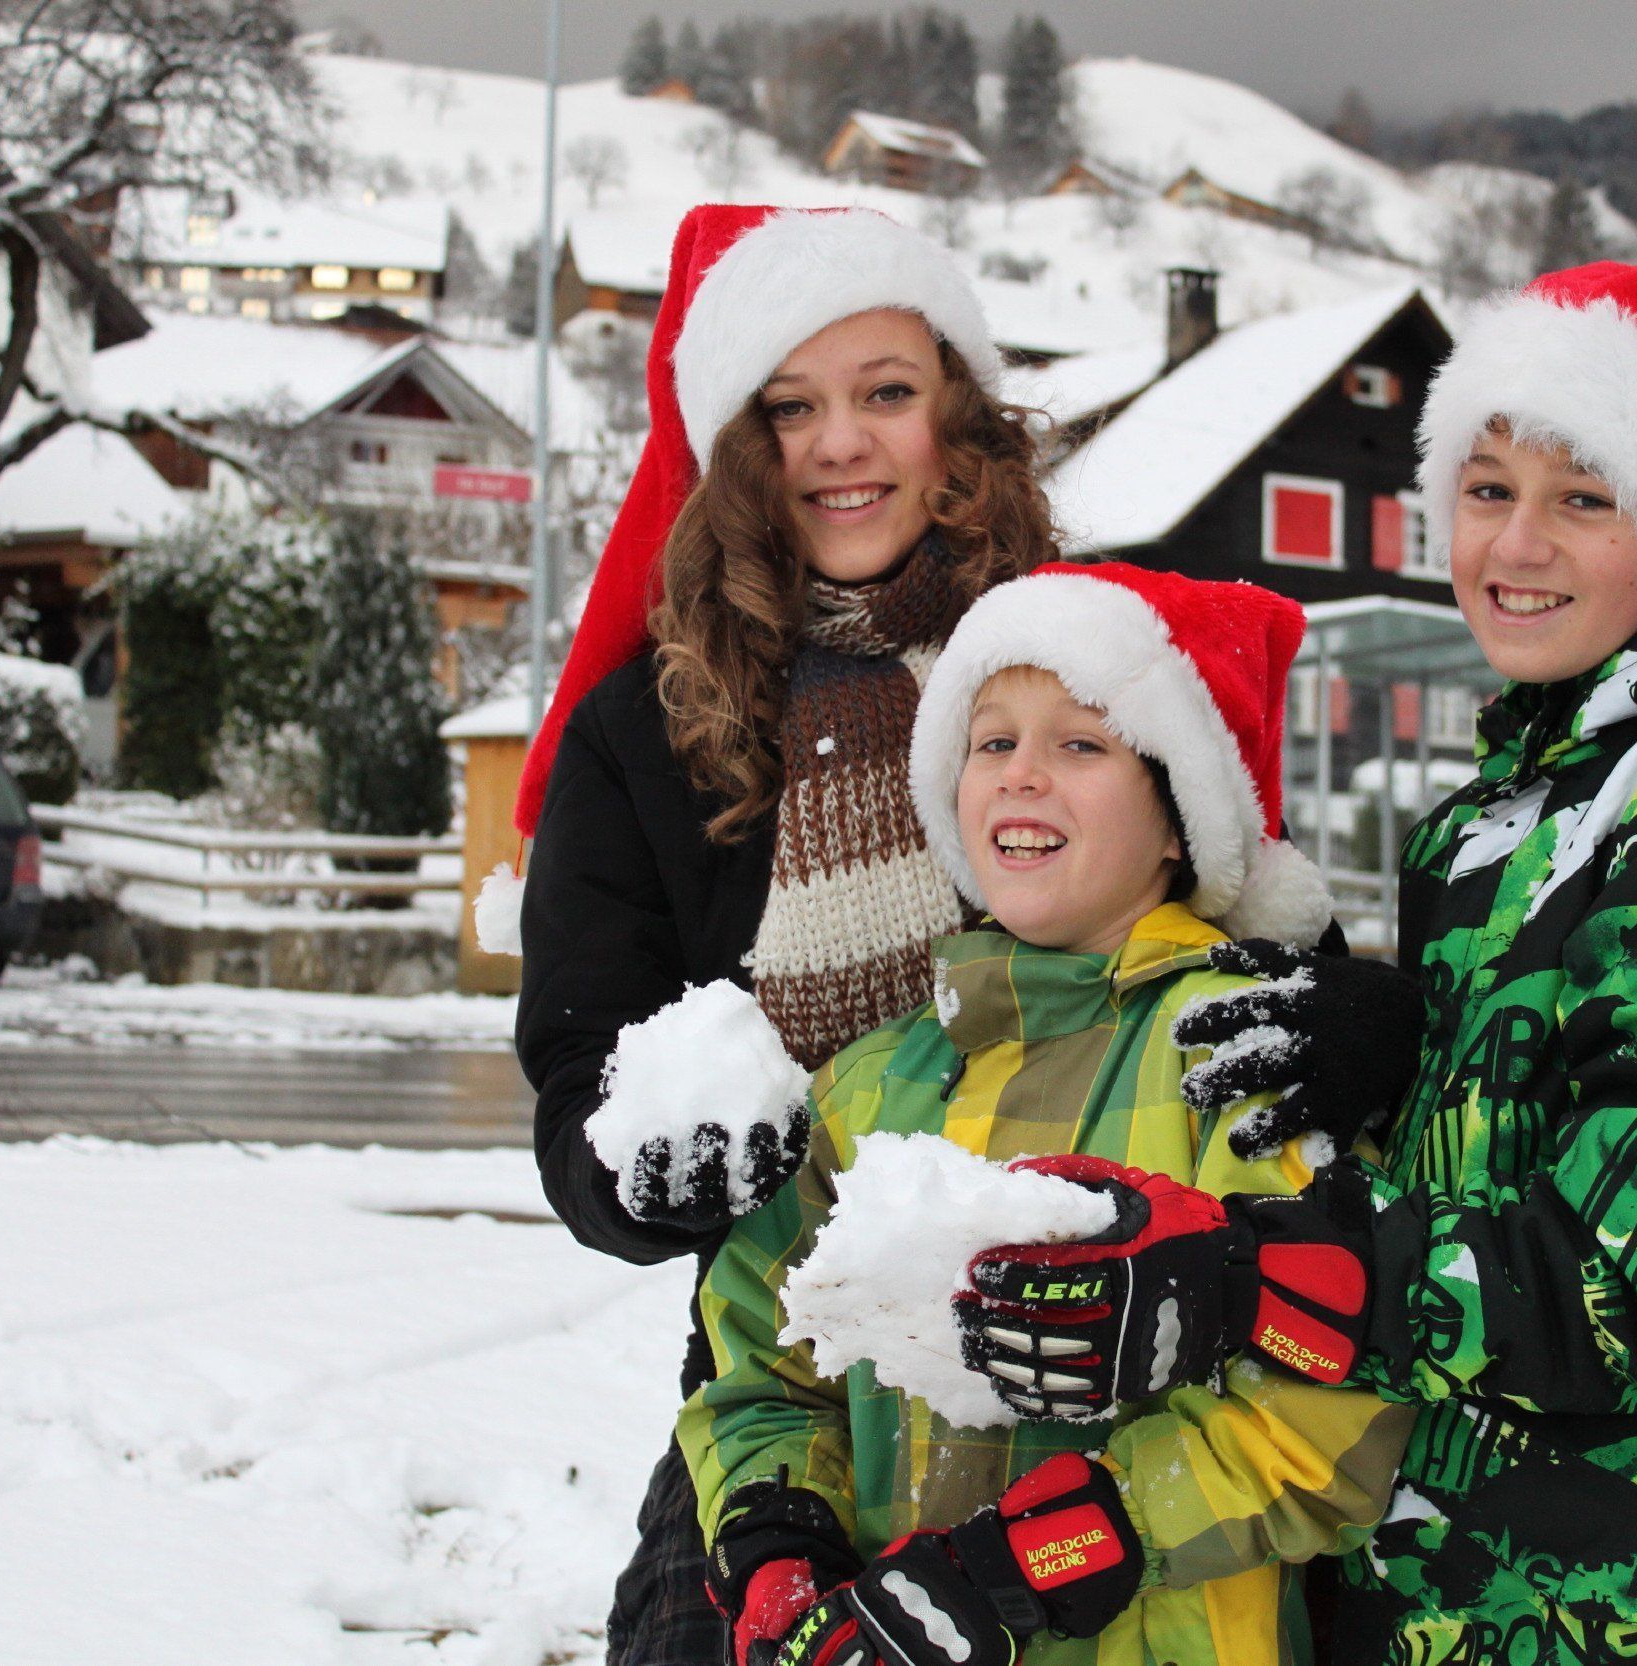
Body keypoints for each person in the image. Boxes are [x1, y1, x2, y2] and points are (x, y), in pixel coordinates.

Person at [951, 264, 1637, 1665]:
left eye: (1584, 498)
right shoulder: (1509, 809)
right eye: (1487, 489)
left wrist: (1248, 1278)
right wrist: (1407, 1049)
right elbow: (1527, 1137)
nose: (1516, 543)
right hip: (1496, 1583)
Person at [680, 563, 1412, 1666]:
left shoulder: (1248, 1055)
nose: (1022, 773)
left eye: (1081, 744)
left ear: (1180, 820)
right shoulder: (869, 1083)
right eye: (992, 741)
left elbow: (1331, 1418)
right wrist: (780, 1541)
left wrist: (1042, 1558)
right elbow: (759, 1363)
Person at [510, 202, 1050, 1666]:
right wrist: (638, 1169)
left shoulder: (1085, 661)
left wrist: (1339, 1015)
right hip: (781, 1395)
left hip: (1091, 1362)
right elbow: (579, 1074)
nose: (840, 444)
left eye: (886, 391)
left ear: (958, 416)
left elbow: (1234, 934)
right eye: (790, 407)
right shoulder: (645, 732)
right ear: (737, 447)